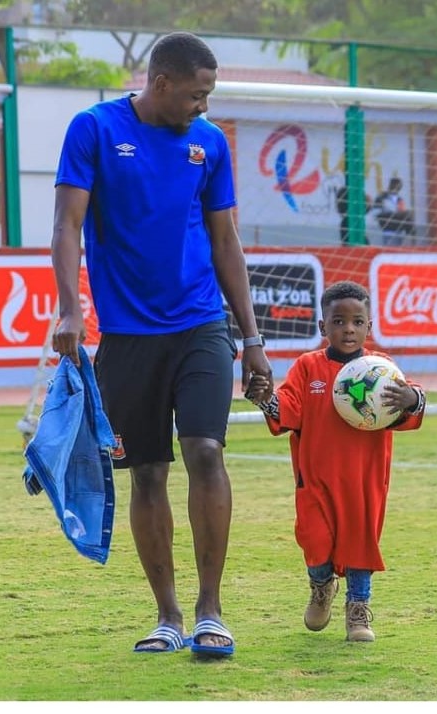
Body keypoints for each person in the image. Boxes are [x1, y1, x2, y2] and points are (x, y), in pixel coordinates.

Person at [50, 31, 273, 657]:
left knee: (205, 451)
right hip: (125, 337)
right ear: (162, 82)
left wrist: (251, 338)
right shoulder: (93, 129)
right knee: (147, 474)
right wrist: (71, 308)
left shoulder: (210, 143)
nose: (204, 107)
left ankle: (211, 612)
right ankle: (168, 616)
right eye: (197, 95)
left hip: (202, 325)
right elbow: (66, 225)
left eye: (210, 96)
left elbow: (226, 242)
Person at [244, 280, 425, 642]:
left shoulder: (382, 368)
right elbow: (289, 410)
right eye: (339, 321)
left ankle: (358, 610)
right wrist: (265, 399)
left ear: (369, 327)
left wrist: (412, 398)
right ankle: (321, 585)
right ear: (322, 327)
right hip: (315, 478)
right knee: (315, 539)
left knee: (360, 541)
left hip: (364, 479)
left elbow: (409, 407)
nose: (348, 329)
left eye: (357, 322)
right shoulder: (307, 368)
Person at [373, 177, 416, 246]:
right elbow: (375, 213)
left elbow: (402, 210)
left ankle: (410, 233)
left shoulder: (399, 199)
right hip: (388, 227)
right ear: (390, 185)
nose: (396, 188)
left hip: (399, 230)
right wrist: (391, 214)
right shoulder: (381, 198)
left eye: (398, 186)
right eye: (395, 185)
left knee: (408, 214)